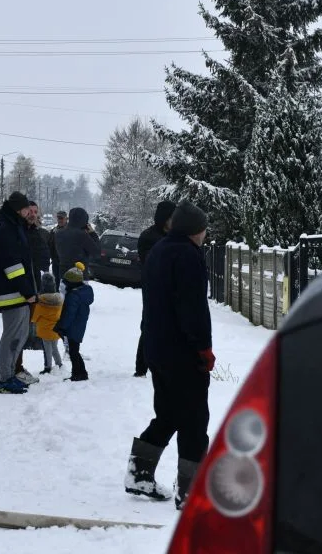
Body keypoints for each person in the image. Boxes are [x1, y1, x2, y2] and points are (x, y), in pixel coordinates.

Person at [124, 200, 213, 510]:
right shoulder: (188, 256)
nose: (204, 234)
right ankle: (191, 493)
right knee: (194, 420)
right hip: (182, 353)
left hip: (156, 348)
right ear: (194, 229)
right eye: (203, 228)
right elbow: (193, 311)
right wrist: (203, 348)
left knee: (169, 414)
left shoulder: (160, 250)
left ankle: (139, 475)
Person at [0, 191, 38, 394]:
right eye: (27, 209)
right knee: (12, 337)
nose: (29, 212)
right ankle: (5, 379)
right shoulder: (6, 230)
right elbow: (13, 266)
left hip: (16, 293)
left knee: (19, 335)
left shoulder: (13, 226)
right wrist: (28, 291)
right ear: (19, 209)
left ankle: (9, 374)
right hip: (12, 293)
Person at [134, 201, 176, 377]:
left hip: (173, 289)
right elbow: (150, 262)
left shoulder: (177, 236)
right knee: (150, 327)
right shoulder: (148, 236)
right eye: (172, 217)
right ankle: (141, 367)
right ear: (164, 218)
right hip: (154, 289)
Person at [15, 201, 52, 383]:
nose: (34, 215)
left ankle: (17, 367)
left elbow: (44, 258)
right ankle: (13, 368)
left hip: (34, 285)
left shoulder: (38, 232)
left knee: (27, 330)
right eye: (30, 211)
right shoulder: (21, 232)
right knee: (19, 331)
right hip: (23, 288)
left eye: (36, 212)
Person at [53, 262, 93, 381]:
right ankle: (82, 372)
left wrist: (62, 327)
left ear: (72, 283)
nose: (64, 284)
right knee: (74, 351)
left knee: (73, 352)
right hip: (79, 326)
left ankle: (78, 374)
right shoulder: (84, 292)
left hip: (73, 327)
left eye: (66, 282)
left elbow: (68, 315)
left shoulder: (73, 296)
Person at [54, 207, 100, 282]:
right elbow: (96, 253)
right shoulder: (82, 235)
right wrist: (93, 234)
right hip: (79, 277)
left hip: (63, 275)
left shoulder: (58, 233)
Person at [31, 271, 64, 373]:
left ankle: (48, 367)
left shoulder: (41, 302)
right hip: (56, 329)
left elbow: (34, 318)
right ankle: (59, 364)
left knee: (48, 349)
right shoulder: (59, 301)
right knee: (55, 348)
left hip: (44, 330)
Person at [49, 210, 67, 280]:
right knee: (56, 281)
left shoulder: (70, 230)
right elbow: (50, 245)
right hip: (56, 261)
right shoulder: (53, 231)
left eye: (61, 218)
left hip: (66, 263)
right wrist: (52, 257)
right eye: (58, 218)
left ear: (66, 219)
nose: (60, 220)